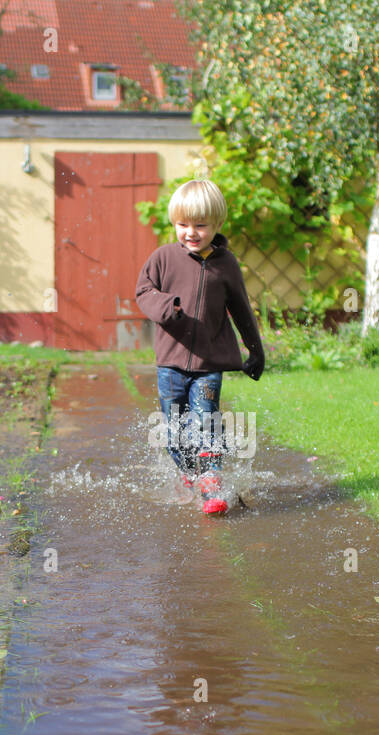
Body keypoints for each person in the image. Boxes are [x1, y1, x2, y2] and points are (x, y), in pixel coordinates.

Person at [135, 179, 264, 516]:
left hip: (209, 364)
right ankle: (189, 474)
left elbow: (241, 310)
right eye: (182, 224)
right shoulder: (162, 258)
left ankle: (211, 480)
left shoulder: (226, 265)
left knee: (205, 421)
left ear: (217, 225)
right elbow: (143, 292)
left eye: (200, 225)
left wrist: (255, 350)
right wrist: (167, 308)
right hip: (170, 364)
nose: (191, 232)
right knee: (174, 431)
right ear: (174, 223)